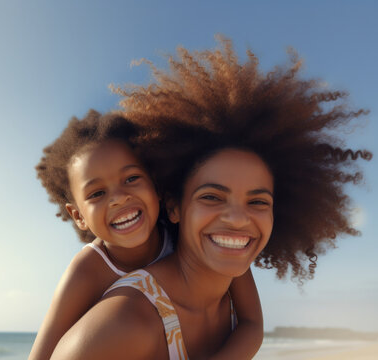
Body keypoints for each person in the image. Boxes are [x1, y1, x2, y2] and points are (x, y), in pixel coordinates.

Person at [49, 37, 372, 359]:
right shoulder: (120, 322)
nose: (237, 219)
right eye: (212, 197)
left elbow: (252, 325)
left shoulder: (223, 262)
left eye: (258, 201)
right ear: (174, 205)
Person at [29, 110, 263, 360]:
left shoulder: (189, 233)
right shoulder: (86, 272)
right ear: (78, 216)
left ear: (156, 185)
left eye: (131, 178)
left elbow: (252, 323)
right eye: (97, 193)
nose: (119, 198)